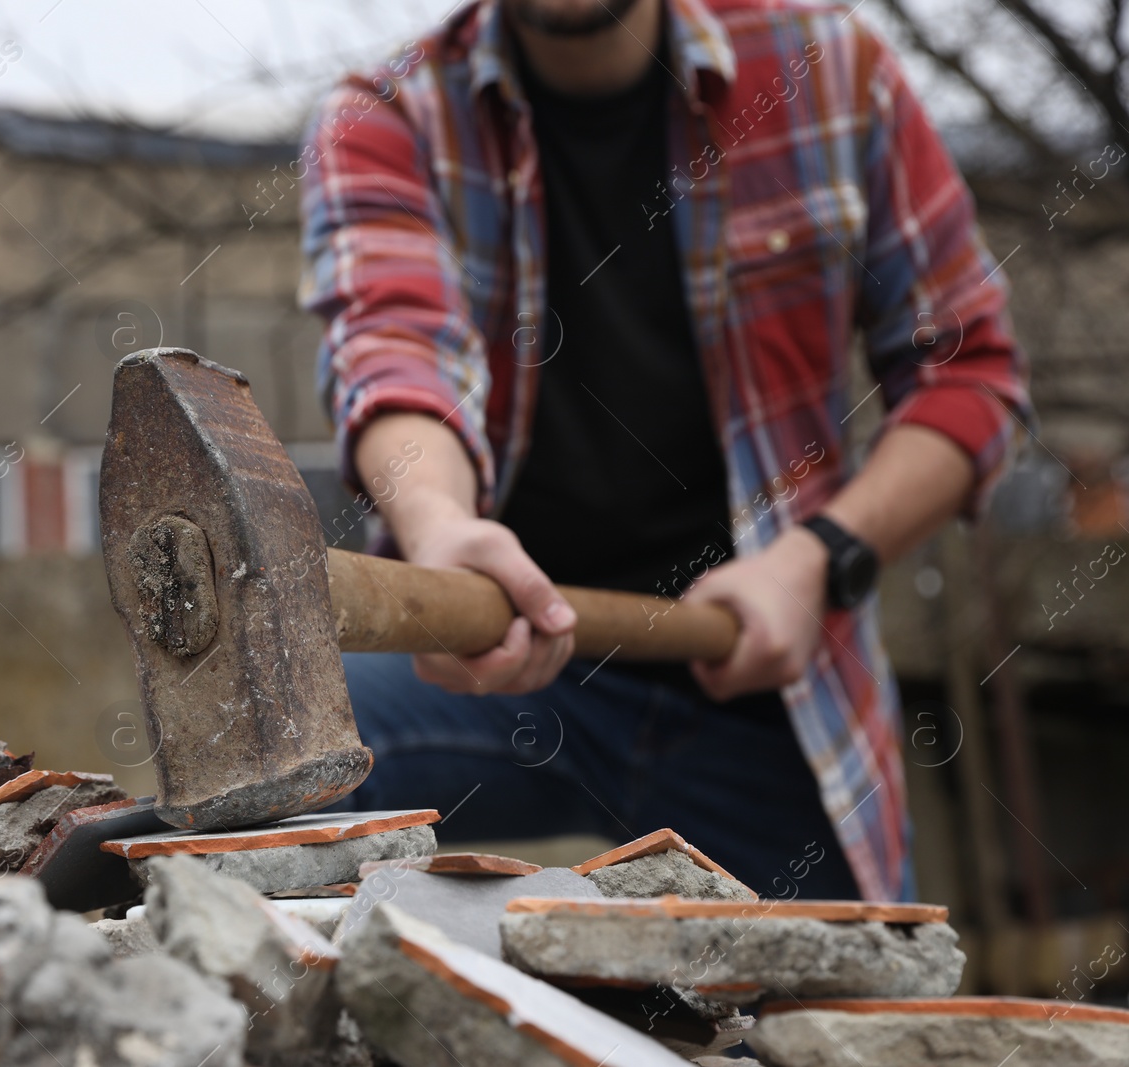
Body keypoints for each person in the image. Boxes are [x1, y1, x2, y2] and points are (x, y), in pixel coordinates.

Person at [299, 0, 1031, 901]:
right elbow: (396, 354)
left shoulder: (829, 68)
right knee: (290, 750)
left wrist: (818, 560)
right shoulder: (387, 117)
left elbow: (971, 376)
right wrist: (441, 530)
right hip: (509, 661)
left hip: (775, 696)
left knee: (835, 1023)